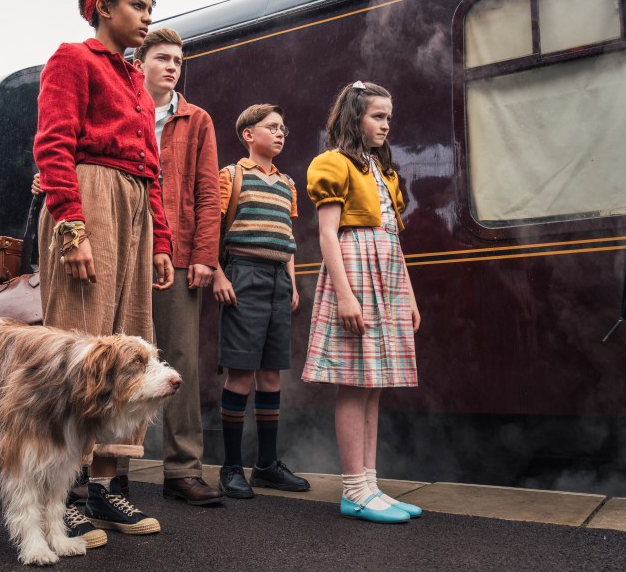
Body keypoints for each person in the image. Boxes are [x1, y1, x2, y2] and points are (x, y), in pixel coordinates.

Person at [32, 0, 173, 544]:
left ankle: (106, 488)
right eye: (137, 6)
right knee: (77, 344)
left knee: (129, 342)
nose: (146, 17)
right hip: (89, 199)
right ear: (104, 7)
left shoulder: (138, 81)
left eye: (149, 9)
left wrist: (161, 240)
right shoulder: (73, 59)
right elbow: (53, 146)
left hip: (133, 208)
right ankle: (56, 494)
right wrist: (72, 230)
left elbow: (150, 167)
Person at [303, 81, 422, 523]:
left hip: (386, 272)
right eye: (377, 116)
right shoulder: (333, 163)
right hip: (355, 269)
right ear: (355, 118)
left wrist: (407, 296)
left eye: (388, 116)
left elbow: (393, 238)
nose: (386, 124)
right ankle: (353, 488)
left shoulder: (382, 169)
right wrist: (346, 295)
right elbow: (327, 234)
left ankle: (371, 485)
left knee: (374, 383)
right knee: (354, 383)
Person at [125, 28, 224, 505]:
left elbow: (209, 194)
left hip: (181, 254)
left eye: (178, 61)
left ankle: (182, 470)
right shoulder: (123, 107)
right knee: (119, 362)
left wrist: (204, 256)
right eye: (162, 58)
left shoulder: (196, 119)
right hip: (124, 250)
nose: (171, 67)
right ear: (139, 61)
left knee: (181, 361)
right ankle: (110, 469)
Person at [211, 104, 310, 499]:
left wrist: (292, 281)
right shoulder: (231, 176)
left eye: (283, 127)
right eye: (272, 127)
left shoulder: (287, 183)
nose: (281, 133)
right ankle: (231, 468)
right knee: (241, 374)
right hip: (243, 275)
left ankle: (266, 464)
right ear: (249, 135)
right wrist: (218, 274)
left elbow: (286, 237)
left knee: (271, 375)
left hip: (277, 283)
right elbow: (212, 228)